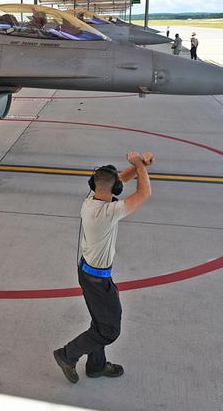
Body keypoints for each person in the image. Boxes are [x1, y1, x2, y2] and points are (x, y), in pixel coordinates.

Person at [53, 151, 154, 384]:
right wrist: (139, 164)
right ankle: (67, 355)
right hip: (98, 281)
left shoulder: (91, 200)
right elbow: (145, 193)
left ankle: (96, 367)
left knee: (100, 322)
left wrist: (141, 166)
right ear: (114, 190)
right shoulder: (109, 213)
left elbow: (119, 180)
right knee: (109, 330)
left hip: (87, 273)